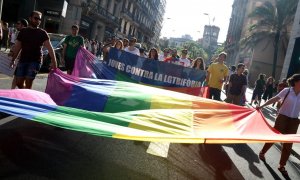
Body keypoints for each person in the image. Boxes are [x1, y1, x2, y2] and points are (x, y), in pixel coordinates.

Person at [257, 74, 300, 176]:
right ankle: (262, 152)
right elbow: (275, 99)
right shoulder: (287, 91)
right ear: (296, 82)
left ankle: (282, 165)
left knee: (288, 144)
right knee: (274, 137)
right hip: (282, 118)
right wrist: (262, 106)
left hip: (294, 121)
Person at [10, 11, 57, 89]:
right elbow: (18, 47)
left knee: (28, 82)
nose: (38, 20)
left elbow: (50, 49)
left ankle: (26, 97)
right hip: (23, 60)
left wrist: (54, 64)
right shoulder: (23, 31)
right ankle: (25, 94)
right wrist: (13, 59)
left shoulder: (42, 33)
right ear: (30, 18)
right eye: (36, 18)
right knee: (18, 82)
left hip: (35, 61)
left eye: (39, 19)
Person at [8, 19, 28, 89]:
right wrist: (12, 51)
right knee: (16, 78)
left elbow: (20, 46)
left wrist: (13, 53)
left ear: (23, 25)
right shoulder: (18, 33)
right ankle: (12, 93)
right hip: (19, 59)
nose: (17, 25)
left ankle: (25, 94)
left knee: (20, 81)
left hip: (23, 59)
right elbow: (15, 45)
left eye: (18, 23)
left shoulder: (24, 33)